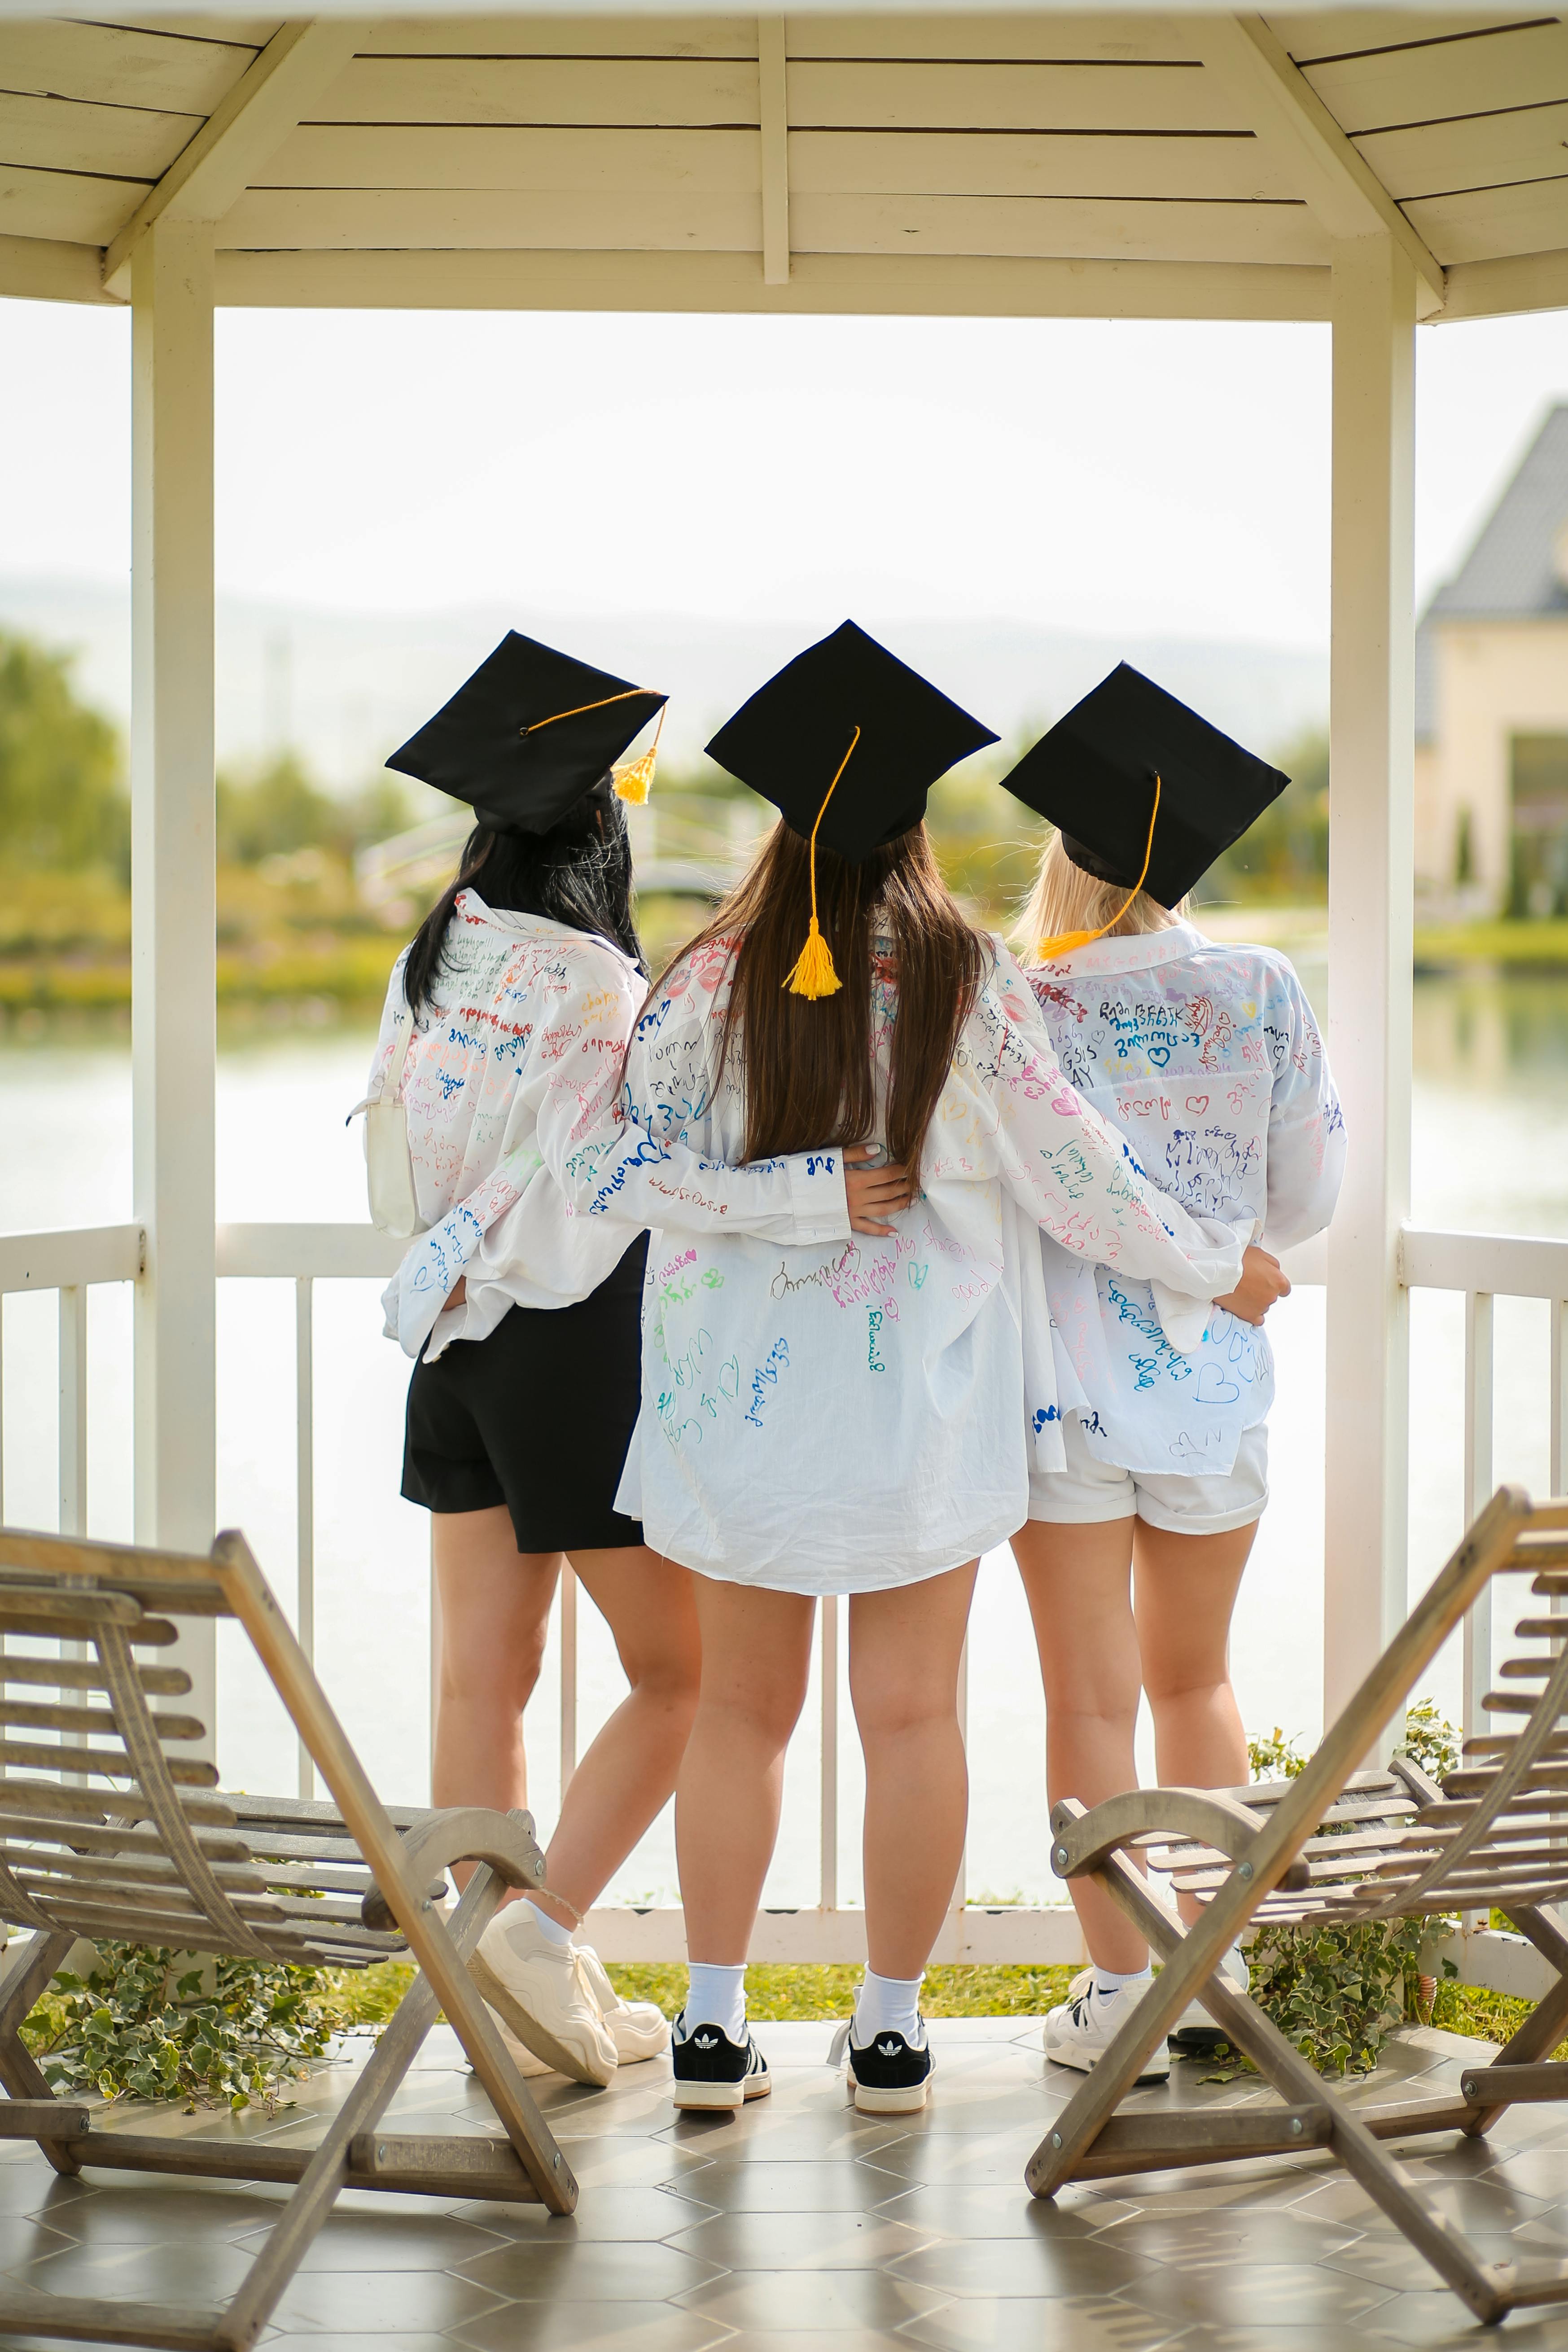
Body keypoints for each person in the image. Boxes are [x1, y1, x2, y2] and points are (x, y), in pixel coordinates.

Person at [598, 623, 1261, 2116]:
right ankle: (888, 2034)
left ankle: (712, 2028)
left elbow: (616, 1166)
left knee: (738, 1718)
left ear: (782, 821)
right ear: (913, 824)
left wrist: (780, 1196)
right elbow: (1080, 1180)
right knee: (912, 1720)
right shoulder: (969, 977)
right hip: (922, 1410)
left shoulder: (707, 977)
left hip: (737, 1411)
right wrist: (1223, 1269)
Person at [364, 631, 904, 2089]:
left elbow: (396, 1171)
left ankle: (502, 1983)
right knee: (680, 1674)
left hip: (449, 1338)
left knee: (485, 1678)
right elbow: (624, 1176)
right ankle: (534, 1942)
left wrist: (448, 1275)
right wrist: (808, 1196)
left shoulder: (436, 955)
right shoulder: (600, 982)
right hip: (566, 1341)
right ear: (604, 831)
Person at [996, 662, 1345, 2080]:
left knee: (1087, 1698)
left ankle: (1117, 1992)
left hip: (1060, 1392)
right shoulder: (1259, 986)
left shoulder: (1020, 1003)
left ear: (1063, 865)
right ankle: (1215, 1971)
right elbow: (1309, 1200)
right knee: (1195, 1679)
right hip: (1213, 1387)